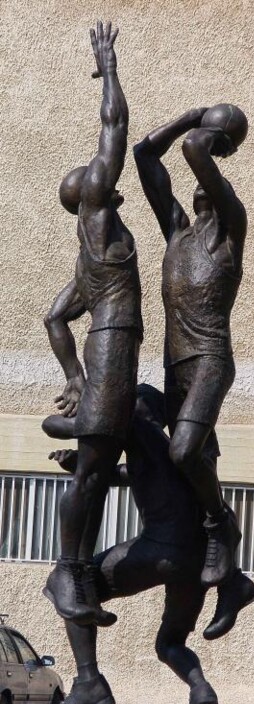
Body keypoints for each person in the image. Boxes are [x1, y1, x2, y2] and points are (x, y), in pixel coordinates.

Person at [47, 385, 254, 704]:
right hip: (198, 561)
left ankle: (89, 681)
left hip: (161, 549)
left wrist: (90, 408)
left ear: (138, 409)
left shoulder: (132, 425)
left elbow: (52, 425)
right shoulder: (175, 450)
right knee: (169, 643)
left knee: (71, 584)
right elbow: (128, 475)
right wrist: (77, 466)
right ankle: (201, 691)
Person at [42, 21, 143, 626]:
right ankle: (68, 572)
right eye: (92, 172)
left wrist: (74, 376)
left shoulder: (88, 265)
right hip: (113, 345)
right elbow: (115, 130)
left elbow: (55, 318)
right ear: (88, 193)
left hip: (106, 351)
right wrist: (108, 70)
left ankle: (74, 572)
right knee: (95, 461)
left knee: (100, 466)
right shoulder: (98, 215)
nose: (99, 169)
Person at [133, 105, 248, 587]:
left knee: (183, 452)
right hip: (176, 366)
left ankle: (222, 525)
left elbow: (193, 149)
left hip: (210, 360)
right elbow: (144, 154)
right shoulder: (178, 233)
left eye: (212, 178)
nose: (203, 181)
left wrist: (213, 129)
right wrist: (189, 115)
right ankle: (228, 583)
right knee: (133, 406)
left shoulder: (229, 228)